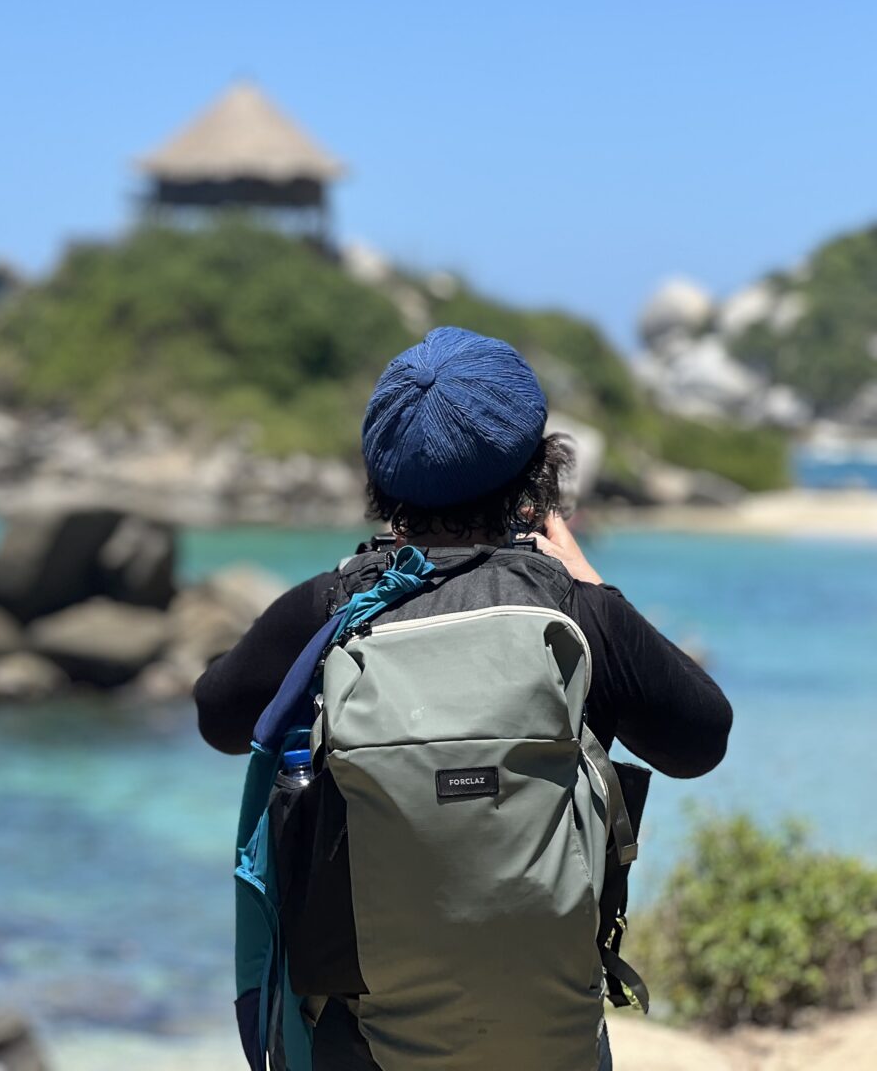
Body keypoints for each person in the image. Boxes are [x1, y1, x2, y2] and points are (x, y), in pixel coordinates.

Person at [196, 327, 733, 1070]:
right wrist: (593, 586)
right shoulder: (577, 613)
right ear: (537, 472)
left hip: (363, 1045)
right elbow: (702, 741)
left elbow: (219, 719)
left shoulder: (334, 609)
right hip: (549, 1042)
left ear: (382, 475)